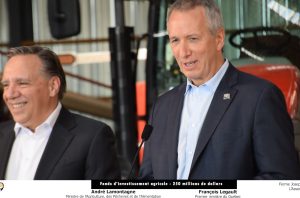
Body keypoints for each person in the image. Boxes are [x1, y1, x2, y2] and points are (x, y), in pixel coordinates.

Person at [139, 0, 300, 179]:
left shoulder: (260, 99)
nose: (183, 52)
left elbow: (281, 181)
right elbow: (148, 179)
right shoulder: (162, 107)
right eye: (175, 40)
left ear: (219, 39)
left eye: (193, 39)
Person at [0, 46, 120, 180]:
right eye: (5, 85)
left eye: (22, 83)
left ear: (53, 86)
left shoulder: (93, 137)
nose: (10, 94)